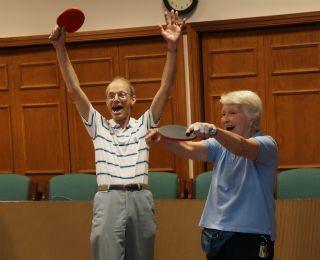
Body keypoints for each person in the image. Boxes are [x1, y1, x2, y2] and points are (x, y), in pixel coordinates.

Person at [49, 10, 185, 260]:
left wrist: (173, 47)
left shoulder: (145, 123)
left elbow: (166, 87)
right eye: (111, 95)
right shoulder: (98, 126)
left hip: (140, 199)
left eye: (121, 94)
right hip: (107, 199)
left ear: (133, 99)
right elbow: (74, 89)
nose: (116, 99)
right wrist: (60, 48)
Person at [146, 90, 278, 260]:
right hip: (216, 233)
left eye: (232, 113)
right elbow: (190, 149)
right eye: (223, 114)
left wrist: (214, 131)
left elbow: (242, 147)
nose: (225, 118)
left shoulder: (267, 144)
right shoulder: (219, 145)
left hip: (251, 235)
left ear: (252, 118)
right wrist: (163, 138)